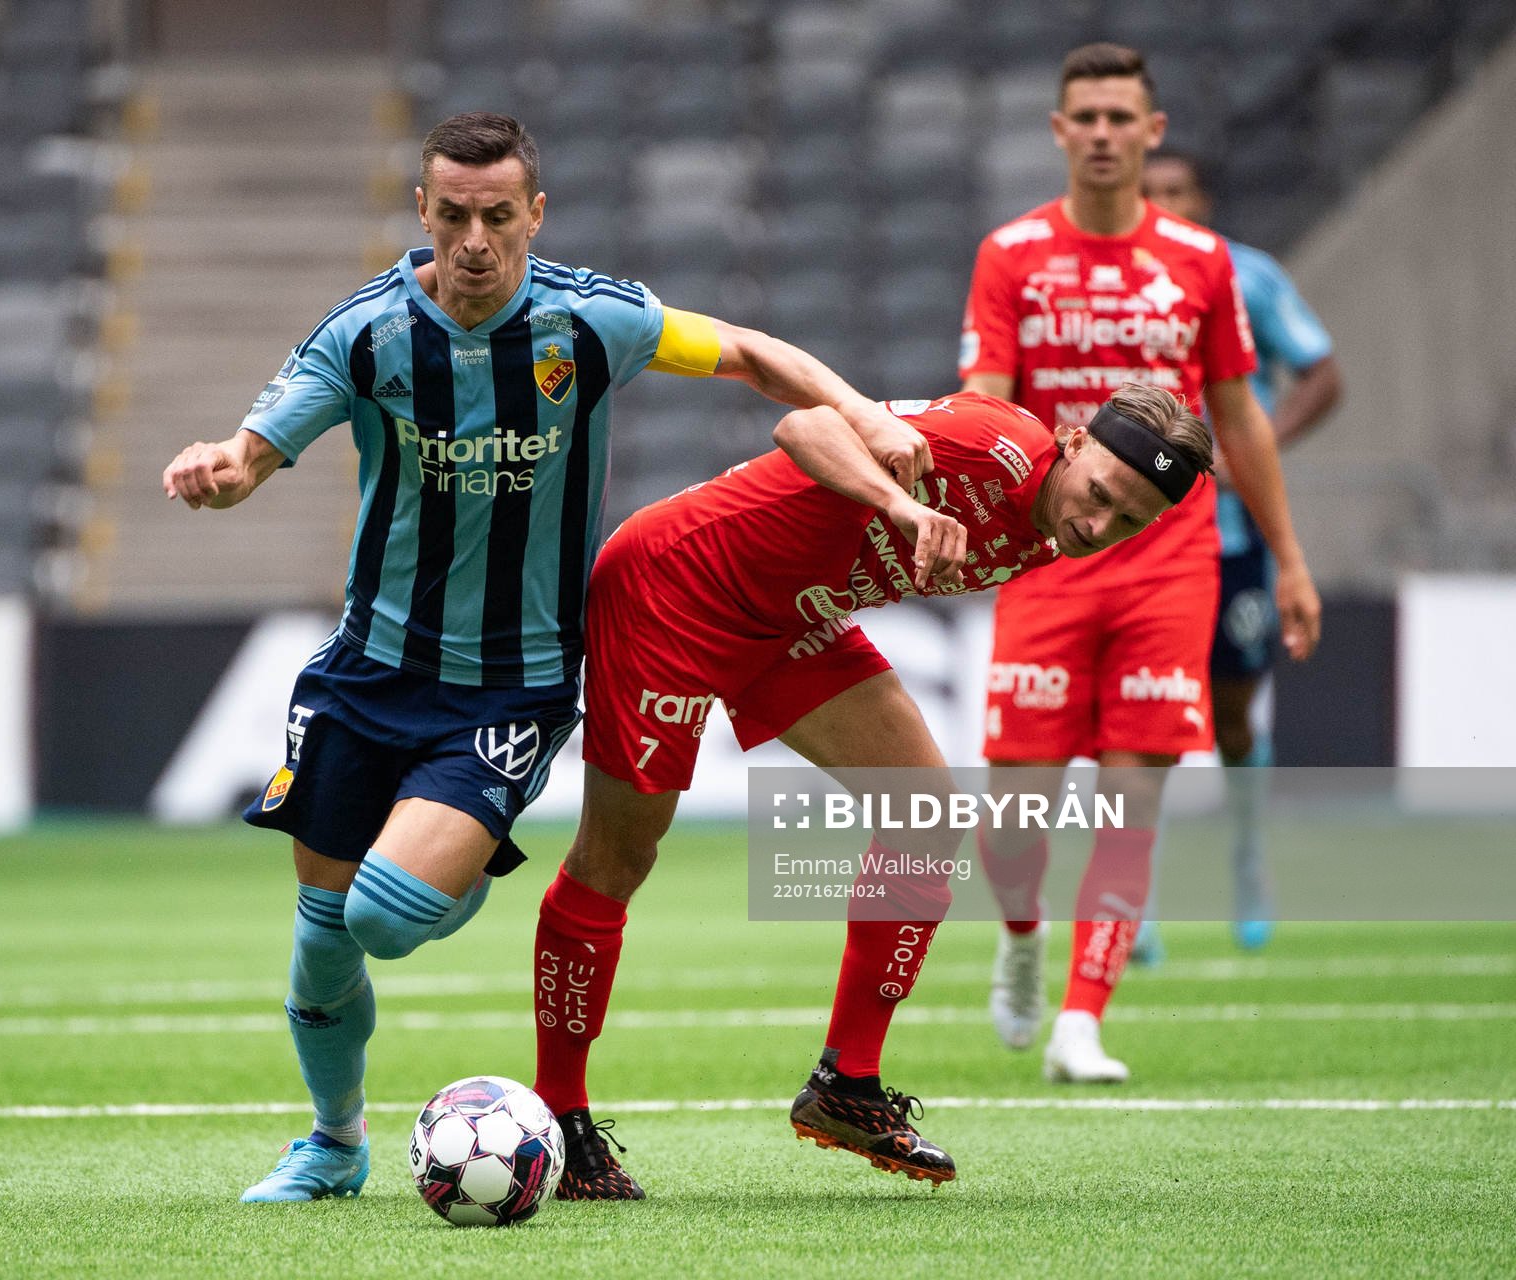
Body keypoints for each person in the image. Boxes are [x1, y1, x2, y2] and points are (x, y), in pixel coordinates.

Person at [163, 111, 931, 1204]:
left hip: (511, 681)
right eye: (455, 215)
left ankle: (461, 864)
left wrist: (860, 409)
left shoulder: (592, 319)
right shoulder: (369, 334)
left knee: (383, 913)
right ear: (423, 212)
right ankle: (334, 1142)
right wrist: (216, 470)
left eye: (498, 215)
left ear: (535, 213)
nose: (477, 239)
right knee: (322, 940)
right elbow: (253, 455)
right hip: (366, 669)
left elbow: (754, 354)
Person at [532, 384, 1215, 1194]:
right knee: (618, 857)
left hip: (792, 620)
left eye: (1128, 521)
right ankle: (561, 1117)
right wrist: (899, 501)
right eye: (1099, 493)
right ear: (1071, 443)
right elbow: (805, 423)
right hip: (677, 589)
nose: (1098, 525)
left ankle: (846, 1086)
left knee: (927, 816)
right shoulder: (986, 443)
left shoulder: (1051, 537)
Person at [956, 43, 1322, 1084]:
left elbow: (1240, 418)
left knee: (1132, 796)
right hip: (1050, 555)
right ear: (1061, 130)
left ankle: (1084, 1017)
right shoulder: (1012, 253)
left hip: (1173, 559)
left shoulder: (1202, 262)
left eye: (1125, 115)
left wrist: (1288, 557)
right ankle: (1023, 934)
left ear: (1151, 130)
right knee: (1015, 819)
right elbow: (987, 405)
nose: (1107, 132)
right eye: (1089, 116)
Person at [1140, 146, 1343, 953]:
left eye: (1178, 192)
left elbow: (1322, 372)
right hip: (1141, 539)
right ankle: (1134, 900)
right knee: (1144, 720)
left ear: (1206, 199)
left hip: (1232, 541)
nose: (1165, 206)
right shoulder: (1108, 287)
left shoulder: (1246, 277)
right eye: (1151, 194)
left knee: (1228, 719)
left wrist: (1259, 447)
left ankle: (1249, 863)